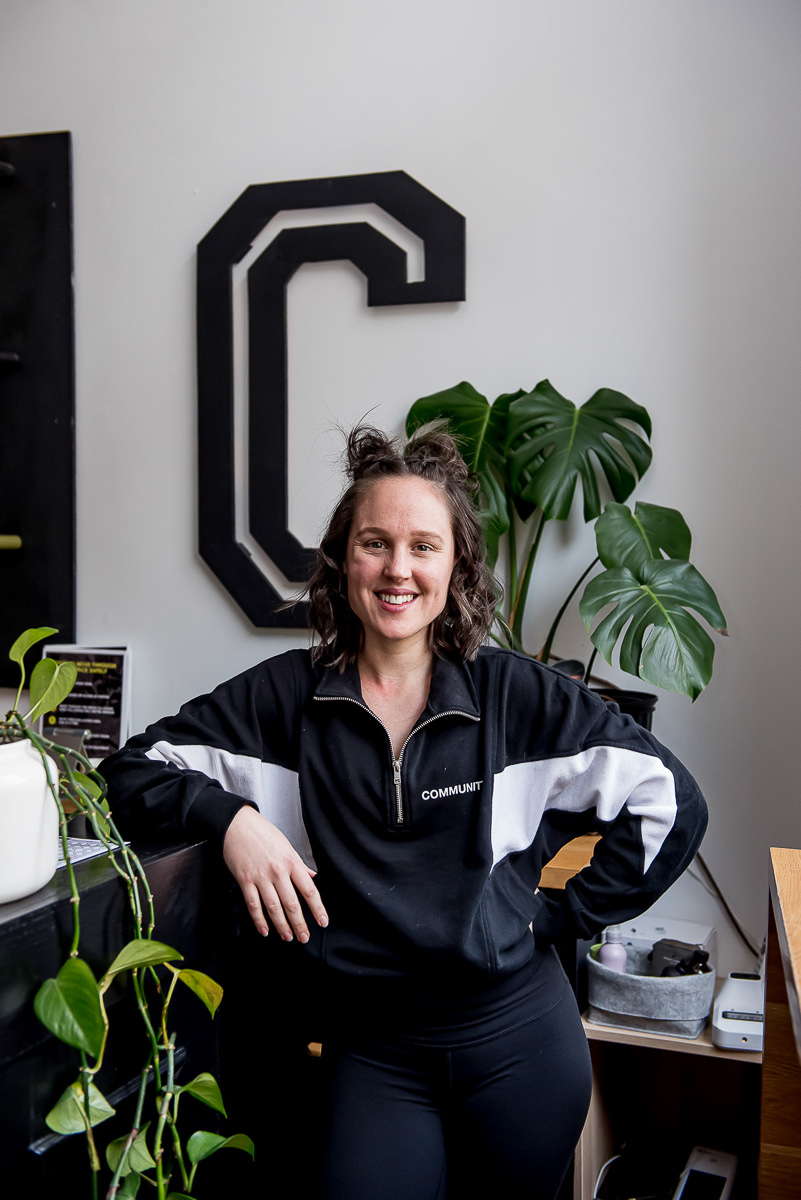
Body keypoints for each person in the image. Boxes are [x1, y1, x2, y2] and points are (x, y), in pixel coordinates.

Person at [100, 425, 708, 1200]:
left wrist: (556, 916)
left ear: (456, 566)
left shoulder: (517, 696)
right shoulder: (281, 698)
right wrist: (231, 821)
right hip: (373, 1053)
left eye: (423, 546)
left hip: (519, 1043)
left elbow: (670, 802)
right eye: (374, 543)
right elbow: (130, 772)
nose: (397, 569)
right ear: (341, 559)